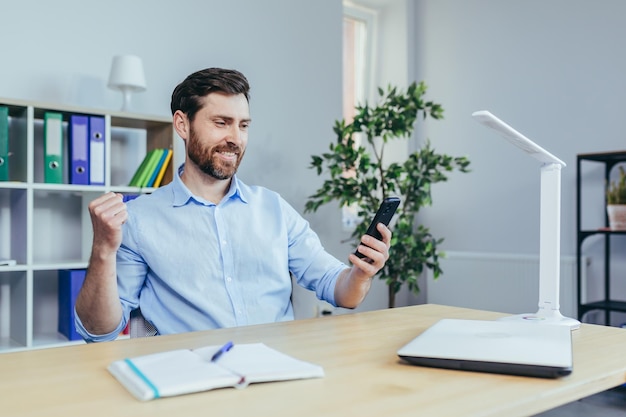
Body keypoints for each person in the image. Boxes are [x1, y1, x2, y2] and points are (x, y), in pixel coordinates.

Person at [74, 68, 391, 342]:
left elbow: (341, 292)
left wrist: (361, 274)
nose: (235, 138)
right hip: (195, 382)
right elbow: (99, 332)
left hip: (277, 372)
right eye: (221, 122)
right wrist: (103, 249)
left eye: (243, 125)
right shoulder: (140, 220)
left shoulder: (274, 208)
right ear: (182, 125)